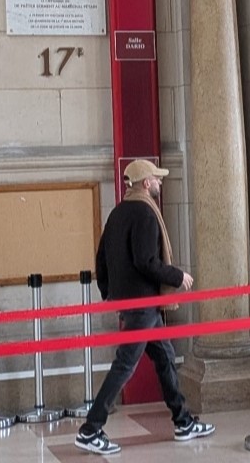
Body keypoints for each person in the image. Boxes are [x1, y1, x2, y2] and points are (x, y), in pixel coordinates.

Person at [75, 159, 215, 455]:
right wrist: (177, 276)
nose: (160, 183)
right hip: (143, 304)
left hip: (136, 304)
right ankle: (90, 428)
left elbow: (101, 258)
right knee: (125, 364)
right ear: (146, 183)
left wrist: (111, 293)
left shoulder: (117, 213)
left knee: (165, 358)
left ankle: (183, 421)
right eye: (156, 179)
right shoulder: (145, 214)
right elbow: (146, 261)